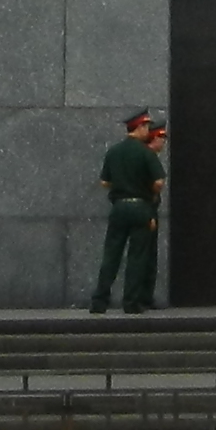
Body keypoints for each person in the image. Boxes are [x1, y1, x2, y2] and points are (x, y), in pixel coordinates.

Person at [86, 107, 165, 315]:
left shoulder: (113, 151)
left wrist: (122, 184)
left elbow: (104, 182)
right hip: (140, 207)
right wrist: (145, 188)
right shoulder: (145, 153)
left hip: (119, 207)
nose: (148, 131)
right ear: (139, 127)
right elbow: (158, 181)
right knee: (137, 256)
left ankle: (99, 300)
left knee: (111, 255)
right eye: (146, 127)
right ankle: (131, 302)